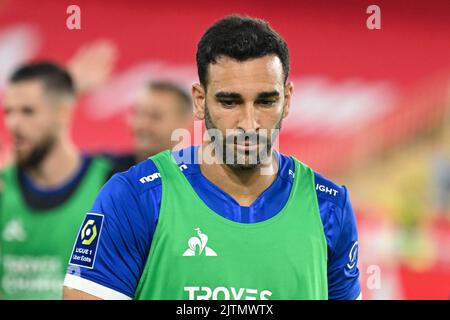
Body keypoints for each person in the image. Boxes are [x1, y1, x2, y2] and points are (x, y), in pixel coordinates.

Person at [63, 15, 361, 300]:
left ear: (287, 100)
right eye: (229, 102)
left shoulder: (329, 209)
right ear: (200, 100)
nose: (248, 122)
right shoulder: (135, 198)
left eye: (265, 101)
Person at [0, 62, 113, 299]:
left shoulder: (110, 185)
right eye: (9, 112)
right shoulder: (4, 189)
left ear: (62, 114)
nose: (13, 124)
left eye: (28, 111)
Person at [105, 81, 193, 175]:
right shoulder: (101, 168)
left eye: (155, 116)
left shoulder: (198, 180)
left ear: (183, 124)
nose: (143, 124)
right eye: (138, 113)